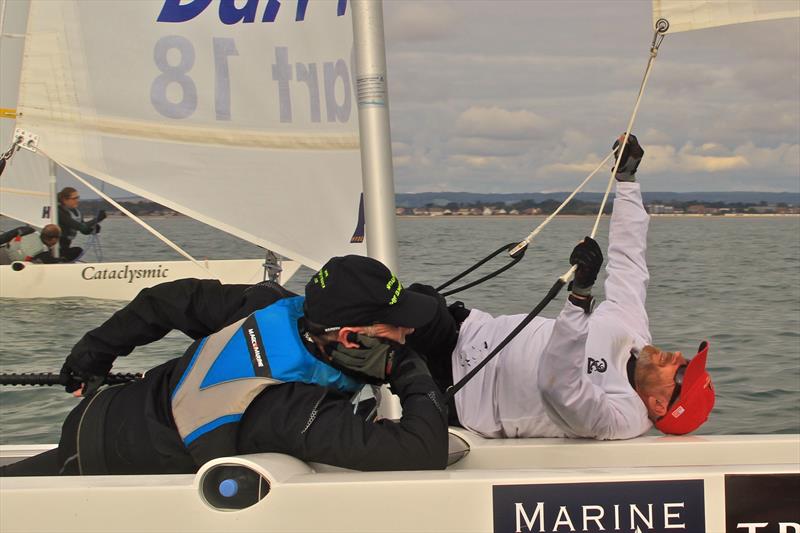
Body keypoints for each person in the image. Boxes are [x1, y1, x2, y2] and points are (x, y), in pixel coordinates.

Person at [1, 255, 449, 476]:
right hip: (102, 462)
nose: (407, 335)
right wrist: (406, 370)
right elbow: (420, 451)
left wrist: (92, 354)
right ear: (351, 338)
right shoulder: (285, 407)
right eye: (398, 326)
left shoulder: (268, 305)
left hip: (106, 413)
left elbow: (167, 299)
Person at [406, 134, 715, 440]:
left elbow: (558, 387)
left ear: (660, 405)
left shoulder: (620, 418)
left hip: (460, 394)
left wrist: (579, 296)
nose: (677, 355)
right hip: (468, 333)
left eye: (681, 372)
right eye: (686, 360)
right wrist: (627, 180)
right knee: (406, 302)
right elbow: (630, 260)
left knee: (376, 357)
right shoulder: (633, 332)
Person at [56, 186, 106, 261]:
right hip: (56, 248)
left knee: (77, 252)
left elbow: (84, 231)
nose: (77, 200)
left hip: (66, 246)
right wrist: (97, 219)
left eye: (78, 198)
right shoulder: (59, 212)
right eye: (74, 198)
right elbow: (80, 227)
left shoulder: (77, 212)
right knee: (78, 251)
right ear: (64, 200)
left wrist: (93, 229)